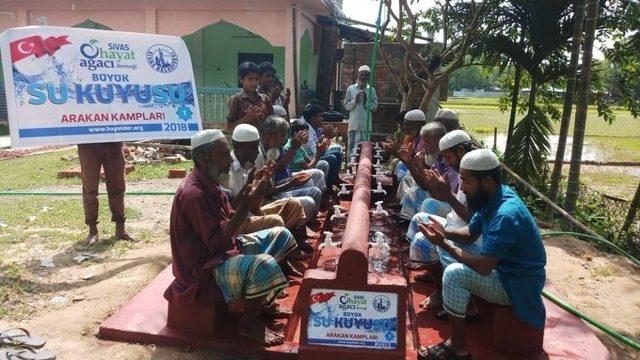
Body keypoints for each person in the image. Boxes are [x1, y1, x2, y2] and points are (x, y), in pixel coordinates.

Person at [165, 129, 299, 346]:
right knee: (265, 265)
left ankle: (260, 302)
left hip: (224, 252)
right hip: (204, 269)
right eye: (223, 155)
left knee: (281, 235)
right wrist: (246, 204)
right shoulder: (194, 194)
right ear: (202, 158)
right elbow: (216, 243)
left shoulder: (210, 183)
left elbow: (229, 218)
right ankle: (246, 324)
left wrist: (251, 189)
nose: (229, 160)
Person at [416, 149, 546, 360]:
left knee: (454, 274)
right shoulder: (493, 196)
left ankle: (457, 346)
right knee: (443, 247)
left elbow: (484, 267)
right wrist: (443, 233)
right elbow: (469, 234)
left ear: (486, 181)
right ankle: (461, 305)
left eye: (466, 182)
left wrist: (445, 244)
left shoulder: (506, 214)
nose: (463, 189)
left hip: (515, 283)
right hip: (502, 267)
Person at [407, 130, 479, 311]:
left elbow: (472, 222)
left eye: (448, 157)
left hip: (469, 234)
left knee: (423, 241)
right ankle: (432, 269)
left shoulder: (475, 176)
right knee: (419, 220)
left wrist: (448, 195)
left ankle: (440, 291)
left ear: (461, 151)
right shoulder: (464, 170)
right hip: (455, 222)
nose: (446, 162)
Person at [230, 124, 314, 252]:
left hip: (252, 212)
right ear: (237, 146)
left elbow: (255, 205)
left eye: (256, 147)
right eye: (252, 148)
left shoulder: (249, 162)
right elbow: (230, 211)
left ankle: (293, 243)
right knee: (275, 221)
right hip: (237, 224)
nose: (256, 152)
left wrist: (263, 181)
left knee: (293, 204)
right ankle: (282, 256)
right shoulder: (227, 169)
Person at [255, 115, 325, 222]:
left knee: (314, 183)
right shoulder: (258, 155)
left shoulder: (272, 149)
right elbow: (266, 191)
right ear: (269, 135)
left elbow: (276, 170)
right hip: (267, 198)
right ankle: (302, 224)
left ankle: (310, 218)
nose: (284, 140)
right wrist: (291, 183)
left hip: (274, 189)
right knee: (309, 198)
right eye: (282, 136)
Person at [77, 142, 135, 245]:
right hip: (88, 144)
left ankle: (120, 229)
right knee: (90, 189)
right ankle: (92, 231)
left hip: (113, 143)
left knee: (117, 187)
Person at [299, 103, 343, 187]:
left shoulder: (312, 127)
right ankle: (329, 186)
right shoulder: (307, 130)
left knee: (337, 153)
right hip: (311, 158)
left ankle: (335, 179)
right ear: (313, 118)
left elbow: (317, 143)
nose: (322, 119)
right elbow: (317, 152)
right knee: (332, 158)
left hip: (313, 156)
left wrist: (326, 136)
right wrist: (327, 136)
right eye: (320, 116)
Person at [343, 65, 378, 155]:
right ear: (358, 74)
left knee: (363, 151)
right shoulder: (351, 89)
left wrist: (366, 102)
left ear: (369, 77)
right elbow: (346, 106)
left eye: (366, 75)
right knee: (351, 150)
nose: (364, 77)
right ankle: (351, 168)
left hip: (365, 126)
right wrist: (355, 101)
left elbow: (374, 107)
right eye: (362, 75)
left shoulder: (371, 90)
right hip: (353, 125)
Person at [227, 61, 273, 130]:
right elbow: (229, 127)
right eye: (250, 79)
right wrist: (247, 118)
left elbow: (272, 122)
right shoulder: (236, 100)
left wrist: (266, 117)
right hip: (244, 139)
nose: (254, 83)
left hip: (262, 139)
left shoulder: (264, 99)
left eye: (257, 79)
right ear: (241, 79)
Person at [384, 109, 427, 181]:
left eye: (407, 124)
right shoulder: (415, 137)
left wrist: (396, 153)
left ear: (418, 125)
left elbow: (416, 163)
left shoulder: (424, 139)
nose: (404, 127)